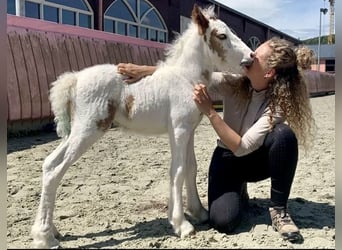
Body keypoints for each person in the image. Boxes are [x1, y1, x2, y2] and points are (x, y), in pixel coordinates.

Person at [117, 37, 315, 243]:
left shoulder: (279, 104)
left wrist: (210, 112)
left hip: (256, 160)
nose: (250, 56)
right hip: (227, 158)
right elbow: (186, 76)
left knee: (284, 136)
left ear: (269, 72)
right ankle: (239, 190)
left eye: (256, 57)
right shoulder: (234, 82)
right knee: (223, 221)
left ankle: (279, 209)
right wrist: (144, 71)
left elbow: (243, 146)